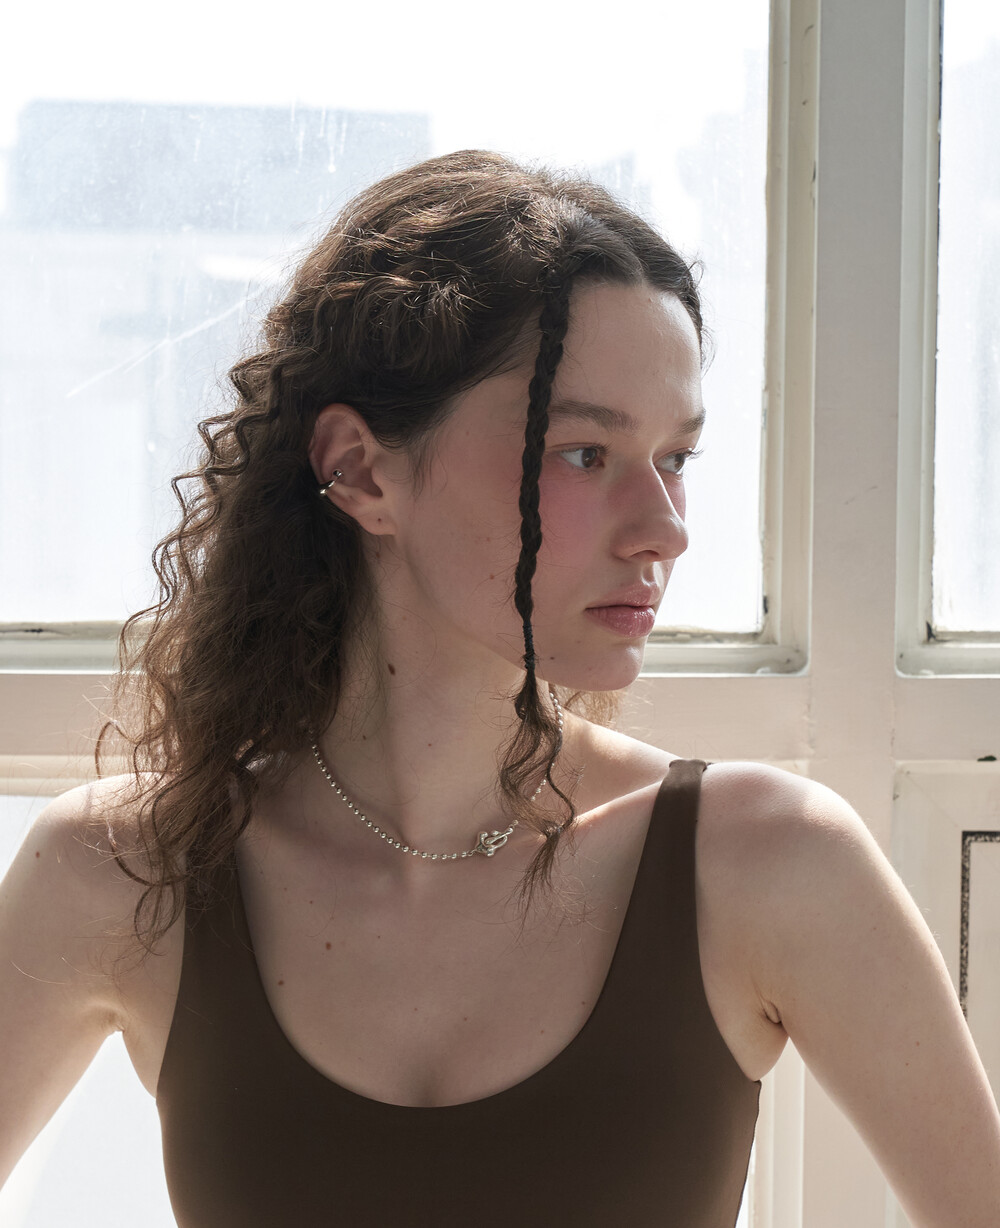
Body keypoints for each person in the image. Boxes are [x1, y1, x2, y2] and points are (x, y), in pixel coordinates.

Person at [1, 150, 998, 1227]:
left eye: (676, 459)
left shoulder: (770, 861)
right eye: (584, 454)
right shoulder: (123, 871)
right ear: (361, 471)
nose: (665, 529)